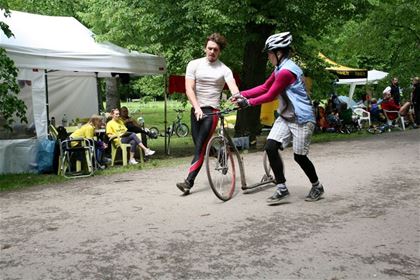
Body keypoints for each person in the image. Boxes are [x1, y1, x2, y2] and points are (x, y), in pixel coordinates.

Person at [231, 32, 324, 203]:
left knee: (299, 156)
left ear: (279, 53)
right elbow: (265, 87)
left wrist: (248, 103)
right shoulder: (279, 68)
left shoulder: (286, 72)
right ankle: (281, 188)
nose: (268, 56)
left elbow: (271, 94)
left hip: (302, 119)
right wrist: (240, 94)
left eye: (269, 53)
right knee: (270, 146)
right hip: (286, 116)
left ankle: (317, 186)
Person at [176, 33, 240, 195]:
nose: (212, 52)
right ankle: (220, 154)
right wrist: (196, 108)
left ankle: (188, 182)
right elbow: (189, 88)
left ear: (220, 52)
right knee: (201, 146)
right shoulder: (194, 64)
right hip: (196, 110)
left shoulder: (224, 69)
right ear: (205, 48)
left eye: (216, 50)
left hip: (212, 112)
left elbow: (233, 88)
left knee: (199, 148)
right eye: (210, 48)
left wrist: (236, 97)